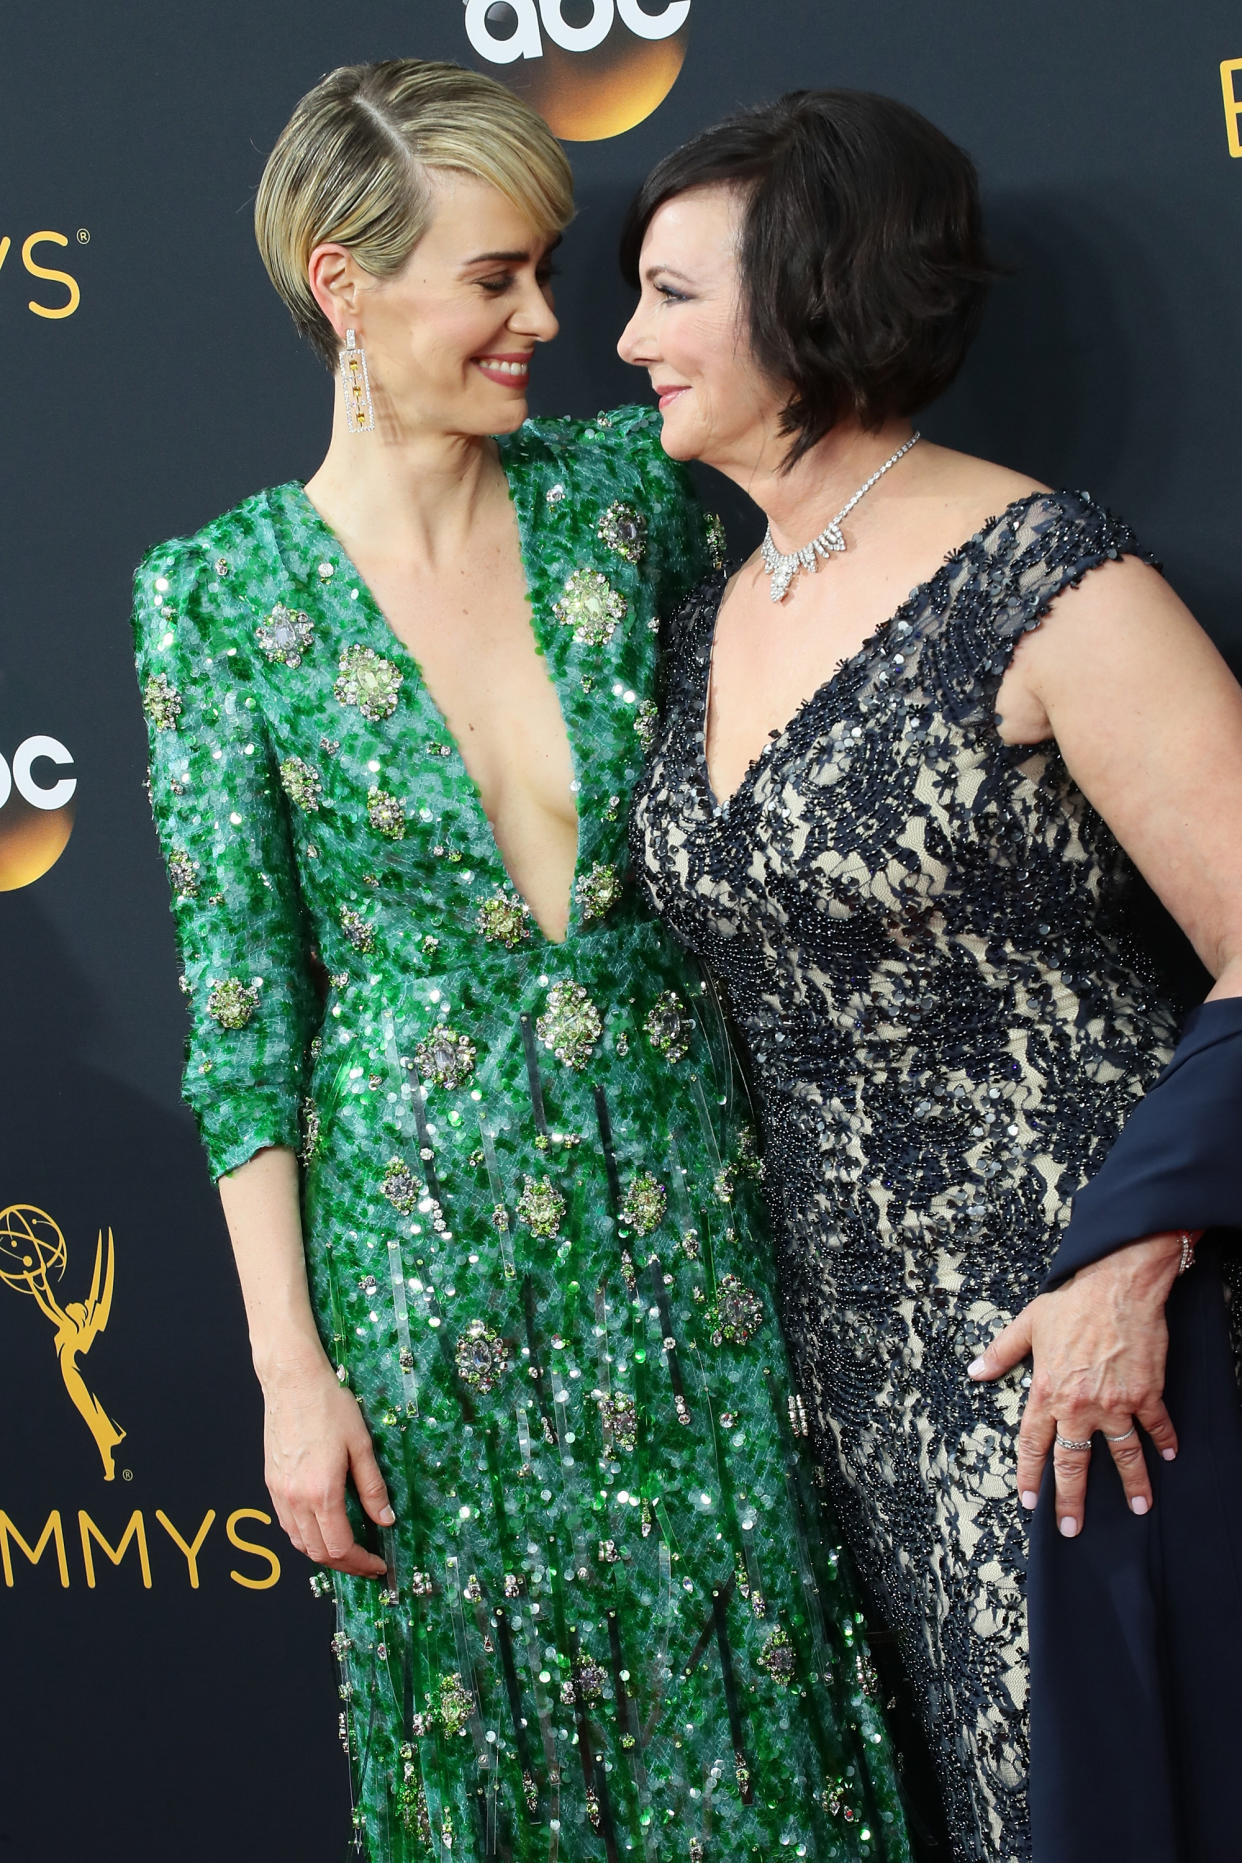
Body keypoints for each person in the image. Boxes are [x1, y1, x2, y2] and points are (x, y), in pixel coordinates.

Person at [132, 60, 913, 1863]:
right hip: (424, 1271)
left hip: (698, 1225)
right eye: (496, 278)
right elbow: (240, 1021)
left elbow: (866, 547)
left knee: (757, 1726)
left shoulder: (625, 501)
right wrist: (292, 1378)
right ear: (347, 286)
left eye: (548, 271)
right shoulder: (215, 598)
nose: (550, 323)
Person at [622, 89, 1242, 1863]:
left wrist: (1129, 1262)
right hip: (849, 1353)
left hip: (1083, 1341)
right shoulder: (702, 605)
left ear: (808, 292)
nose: (624, 338)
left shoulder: (1049, 578)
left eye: (671, 295)